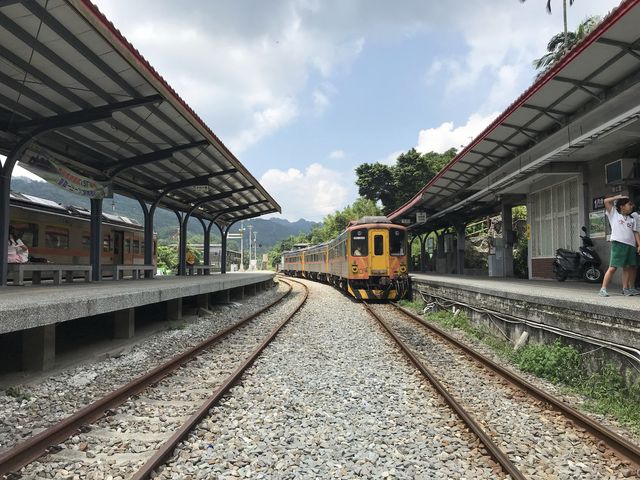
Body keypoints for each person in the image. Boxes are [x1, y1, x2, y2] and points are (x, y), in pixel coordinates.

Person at [598, 195, 640, 297]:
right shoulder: (614, 214)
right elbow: (606, 201)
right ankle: (603, 289)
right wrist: (618, 197)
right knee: (613, 267)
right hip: (618, 244)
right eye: (629, 204)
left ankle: (625, 289)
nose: (631, 206)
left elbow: (635, 233)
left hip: (630, 245)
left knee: (627, 267)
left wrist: (639, 245)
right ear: (622, 206)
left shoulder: (632, 219)